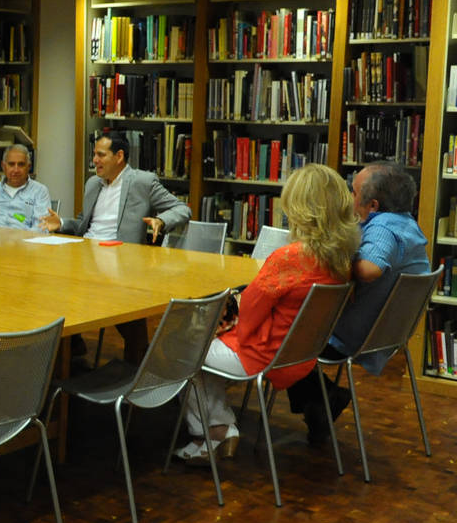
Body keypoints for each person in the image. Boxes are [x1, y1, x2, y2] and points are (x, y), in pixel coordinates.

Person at [175, 164, 360, 464]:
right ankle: (215, 428)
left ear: (300, 208)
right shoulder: (341, 256)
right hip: (300, 356)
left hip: (263, 354)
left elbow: (249, 311)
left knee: (181, 347)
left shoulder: (290, 257)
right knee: (199, 343)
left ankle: (215, 431)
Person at [286, 162, 430, 443]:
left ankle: (323, 397)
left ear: (373, 205)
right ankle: (319, 403)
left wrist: (336, 257)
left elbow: (370, 269)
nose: (349, 199)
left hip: (351, 335)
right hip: (386, 333)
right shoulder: (407, 225)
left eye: (353, 193)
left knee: (283, 334)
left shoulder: (383, 227)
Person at [40, 133, 192, 363]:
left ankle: (136, 359)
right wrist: (61, 223)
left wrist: (161, 220)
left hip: (121, 259)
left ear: (119, 156)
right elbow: (84, 223)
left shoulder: (142, 182)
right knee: (52, 286)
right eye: (94, 155)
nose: (95, 160)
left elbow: (182, 209)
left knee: (124, 302)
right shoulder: (93, 183)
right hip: (85, 254)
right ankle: (69, 349)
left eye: (101, 155)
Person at [0, 144, 51, 230]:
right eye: (11, 164)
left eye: (21, 164)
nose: (16, 170)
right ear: (3, 166)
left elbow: (41, 227)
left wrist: (22, 237)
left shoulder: (40, 191)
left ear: (28, 167)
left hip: (22, 237)